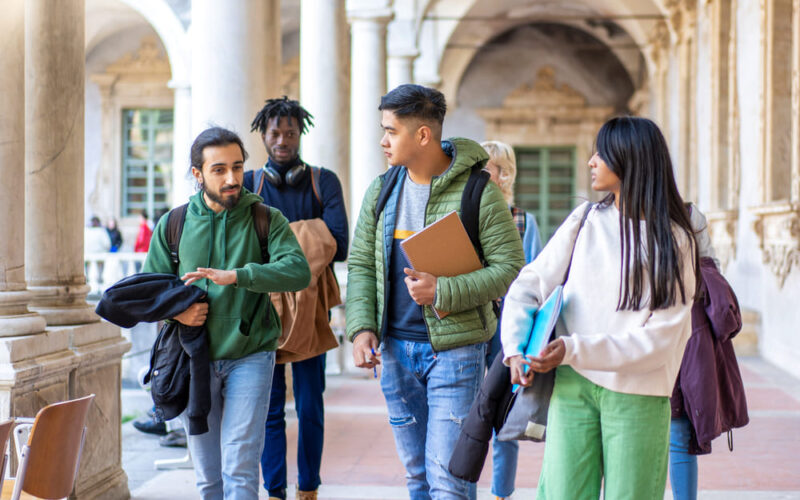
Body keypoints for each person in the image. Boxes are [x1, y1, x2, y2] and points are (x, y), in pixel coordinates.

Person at [501, 116, 699, 498]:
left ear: (630, 159)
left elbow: (662, 338)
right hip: (572, 385)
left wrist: (573, 348)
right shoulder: (585, 219)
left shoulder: (675, 240)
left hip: (638, 392)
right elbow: (528, 285)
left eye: (600, 153)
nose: (591, 161)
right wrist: (515, 350)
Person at [346, 84, 525, 500]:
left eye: (391, 131)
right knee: (417, 479)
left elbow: (510, 268)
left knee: (449, 480)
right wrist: (361, 328)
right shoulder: (382, 190)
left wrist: (443, 291)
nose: (382, 140)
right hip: (393, 355)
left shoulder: (477, 191)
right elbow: (360, 264)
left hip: (456, 353)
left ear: (422, 135)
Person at [143, 126, 311, 500]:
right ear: (197, 174)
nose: (232, 178)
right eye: (219, 169)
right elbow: (150, 291)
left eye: (237, 167)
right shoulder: (174, 224)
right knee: (208, 477)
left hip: (250, 354)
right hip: (192, 360)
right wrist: (178, 316)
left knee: (239, 467)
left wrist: (240, 275)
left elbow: (298, 272)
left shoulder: (265, 218)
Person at [245, 96, 349, 500]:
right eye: (275, 132)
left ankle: (309, 488)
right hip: (263, 313)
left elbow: (339, 243)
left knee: (310, 405)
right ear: (264, 136)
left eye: (290, 132)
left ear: (299, 134)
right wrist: (309, 234)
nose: (283, 139)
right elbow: (245, 247)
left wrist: (277, 240)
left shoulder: (324, 181)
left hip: (311, 312)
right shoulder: (251, 183)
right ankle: (274, 490)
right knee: (269, 408)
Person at [479, 140, 543, 500]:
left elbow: (534, 277)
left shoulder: (523, 220)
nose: (497, 176)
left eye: (503, 169)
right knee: (466, 416)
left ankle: (501, 493)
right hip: (471, 328)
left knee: (504, 416)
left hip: (507, 331)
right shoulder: (462, 217)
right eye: (490, 168)